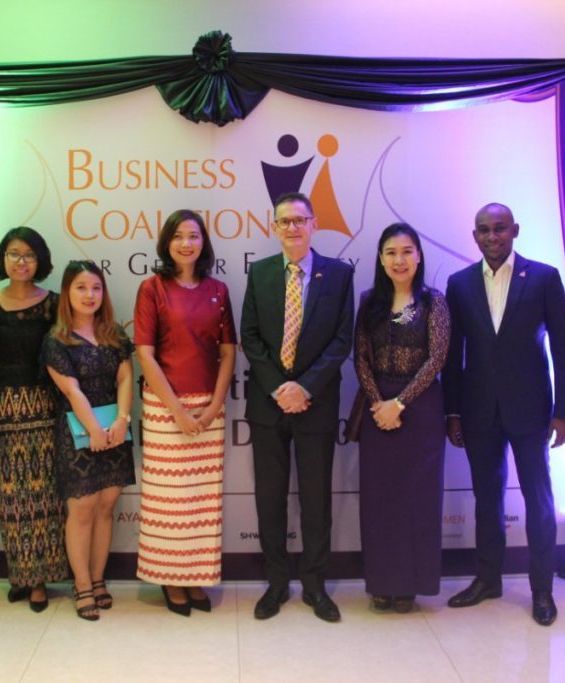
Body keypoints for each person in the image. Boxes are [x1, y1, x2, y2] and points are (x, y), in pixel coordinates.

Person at [443, 202, 565, 627]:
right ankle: (488, 579)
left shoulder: (543, 278)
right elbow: (452, 356)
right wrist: (452, 411)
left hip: (531, 409)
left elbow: (563, 349)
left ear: (515, 230)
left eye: (499, 228)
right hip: (479, 409)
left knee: (538, 501)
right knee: (487, 499)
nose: (492, 237)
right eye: (483, 230)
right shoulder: (459, 284)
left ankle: (542, 590)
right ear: (475, 235)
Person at [240, 191, 354, 623]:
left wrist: (303, 387)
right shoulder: (261, 272)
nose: (292, 227)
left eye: (299, 220)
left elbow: (342, 340)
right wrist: (279, 387)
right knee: (269, 499)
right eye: (283, 221)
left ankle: (315, 585)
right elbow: (249, 336)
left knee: (315, 499)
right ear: (274, 227)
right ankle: (275, 583)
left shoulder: (339, 275)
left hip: (316, 404)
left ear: (314, 223)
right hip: (269, 406)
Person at [133, 210, 237, 616]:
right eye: (178, 236)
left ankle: (195, 577)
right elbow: (144, 353)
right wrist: (176, 410)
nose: (186, 243)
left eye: (193, 236)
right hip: (164, 409)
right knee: (169, 502)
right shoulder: (152, 288)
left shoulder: (218, 289)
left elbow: (228, 351)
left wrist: (213, 405)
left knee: (201, 503)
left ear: (203, 243)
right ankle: (169, 580)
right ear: (166, 243)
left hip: (209, 409)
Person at [353, 223, 450, 614]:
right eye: (391, 252)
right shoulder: (368, 301)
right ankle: (381, 583)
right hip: (377, 412)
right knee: (380, 501)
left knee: (417, 499)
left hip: (422, 410)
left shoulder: (434, 302)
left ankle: (410, 584)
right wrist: (380, 404)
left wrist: (400, 403)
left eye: (407, 251)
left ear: (419, 256)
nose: (399, 259)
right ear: (380, 258)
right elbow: (360, 358)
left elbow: (437, 358)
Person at [0, 227, 69, 612]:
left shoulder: (54, 304)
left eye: (29, 255)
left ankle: (41, 581)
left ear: (40, 260)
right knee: (11, 499)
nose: (20, 261)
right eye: (13, 254)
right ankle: (22, 574)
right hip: (4, 408)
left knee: (46, 498)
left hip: (45, 407)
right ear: (2, 259)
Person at [44, 260, 135, 621]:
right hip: (78, 435)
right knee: (81, 511)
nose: (89, 295)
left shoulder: (114, 334)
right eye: (81, 287)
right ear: (68, 292)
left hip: (116, 433)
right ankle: (82, 585)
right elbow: (71, 389)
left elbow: (126, 379)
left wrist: (121, 421)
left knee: (105, 508)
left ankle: (99, 580)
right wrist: (95, 431)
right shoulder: (56, 340)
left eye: (96, 287)